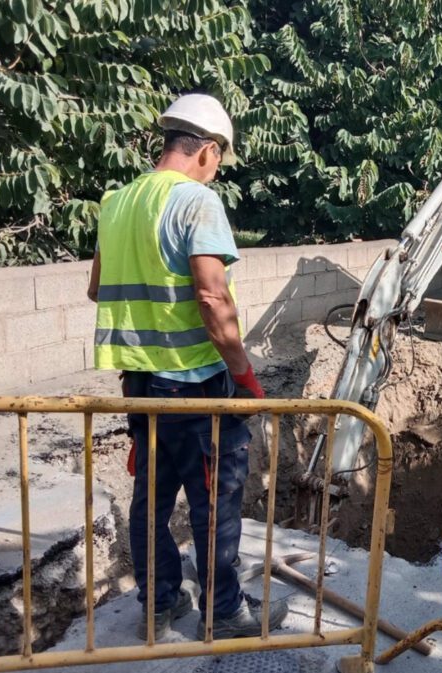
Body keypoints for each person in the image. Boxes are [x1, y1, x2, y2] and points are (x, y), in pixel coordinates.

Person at [87, 93, 287, 641]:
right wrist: (244, 374)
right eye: (220, 157)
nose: (217, 168)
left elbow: (96, 288)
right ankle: (224, 612)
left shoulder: (115, 203)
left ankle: (157, 605)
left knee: (151, 500)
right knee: (214, 500)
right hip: (195, 384)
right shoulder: (197, 202)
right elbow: (212, 297)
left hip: (139, 387)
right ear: (205, 150)